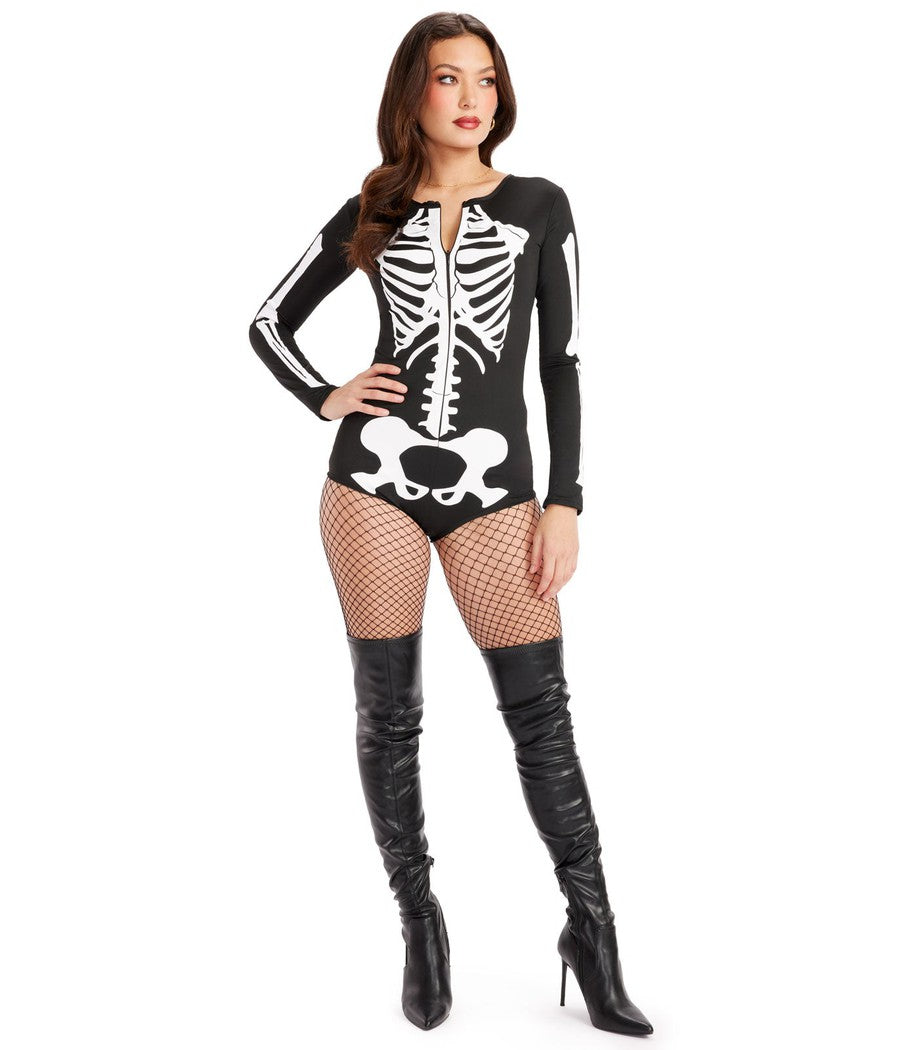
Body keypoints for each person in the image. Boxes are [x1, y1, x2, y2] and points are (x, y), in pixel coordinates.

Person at [248, 12, 653, 1036]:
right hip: (372, 481)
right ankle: (419, 927)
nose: (471, 98)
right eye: (448, 78)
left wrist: (566, 500)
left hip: (494, 491)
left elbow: (561, 364)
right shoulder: (374, 208)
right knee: (389, 716)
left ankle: (593, 934)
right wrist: (325, 396)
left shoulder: (540, 206)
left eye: (486, 80)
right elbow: (267, 322)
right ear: (413, 93)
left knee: (542, 717)